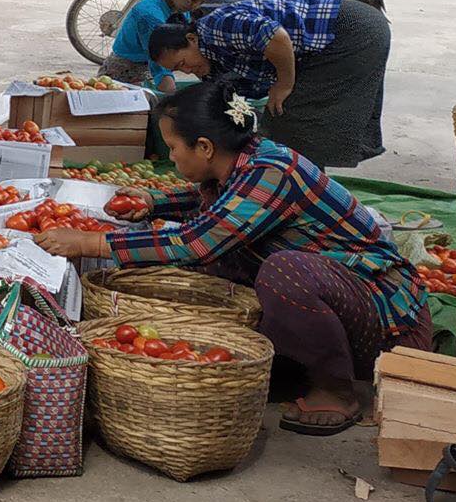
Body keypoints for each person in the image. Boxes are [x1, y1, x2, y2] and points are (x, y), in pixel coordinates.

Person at [36, 77, 430, 435]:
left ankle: (337, 389)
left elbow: (196, 243)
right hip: (341, 300)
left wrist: (91, 243)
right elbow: (222, 203)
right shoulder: (244, 161)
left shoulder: (273, 172)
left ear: (204, 147)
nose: (171, 159)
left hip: (385, 319)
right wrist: (156, 203)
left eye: (173, 149)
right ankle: (298, 364)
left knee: (281, 271)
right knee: (228, 262)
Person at [148, 0, 390, 167]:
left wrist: (283, 84)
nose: (188, 71)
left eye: (182, 63)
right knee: (282, 123)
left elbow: (277, 37)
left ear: (191, 39)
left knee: (294, 117)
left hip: (350, 30)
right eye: (180, 70)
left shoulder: (216, 27)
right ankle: (304, 186)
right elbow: (234, 102)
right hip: (332, 42)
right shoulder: (210, 62)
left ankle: (305, 192)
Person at [99, 0, 217, 90]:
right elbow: (160, 68)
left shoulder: (176, 1)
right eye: (192, 0)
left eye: (201, 2)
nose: (195, 6)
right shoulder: (149, 15)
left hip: (149, 68)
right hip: (124, 72)